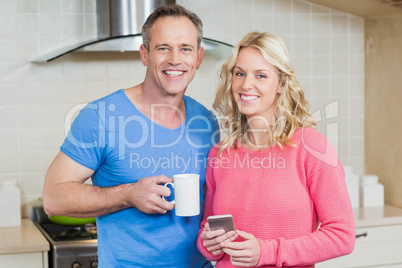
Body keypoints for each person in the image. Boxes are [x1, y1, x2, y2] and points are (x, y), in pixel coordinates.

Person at [43, 4, 219, 268]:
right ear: (144, 54)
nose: (175, 59)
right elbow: (53, 198)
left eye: (185, 48)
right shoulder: (101, 116)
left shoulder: (205, 121)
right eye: (163, 48)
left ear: (199, 57)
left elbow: (214, 199)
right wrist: (129, 194)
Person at [197, 32, 355, 267]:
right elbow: (207, 231)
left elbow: (342, 236)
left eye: (261, 75)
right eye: (239, 73)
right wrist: (207, 244)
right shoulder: (220, 155)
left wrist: (267, 252)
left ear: (281, 84)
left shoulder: (310, 148)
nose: (246, 84)